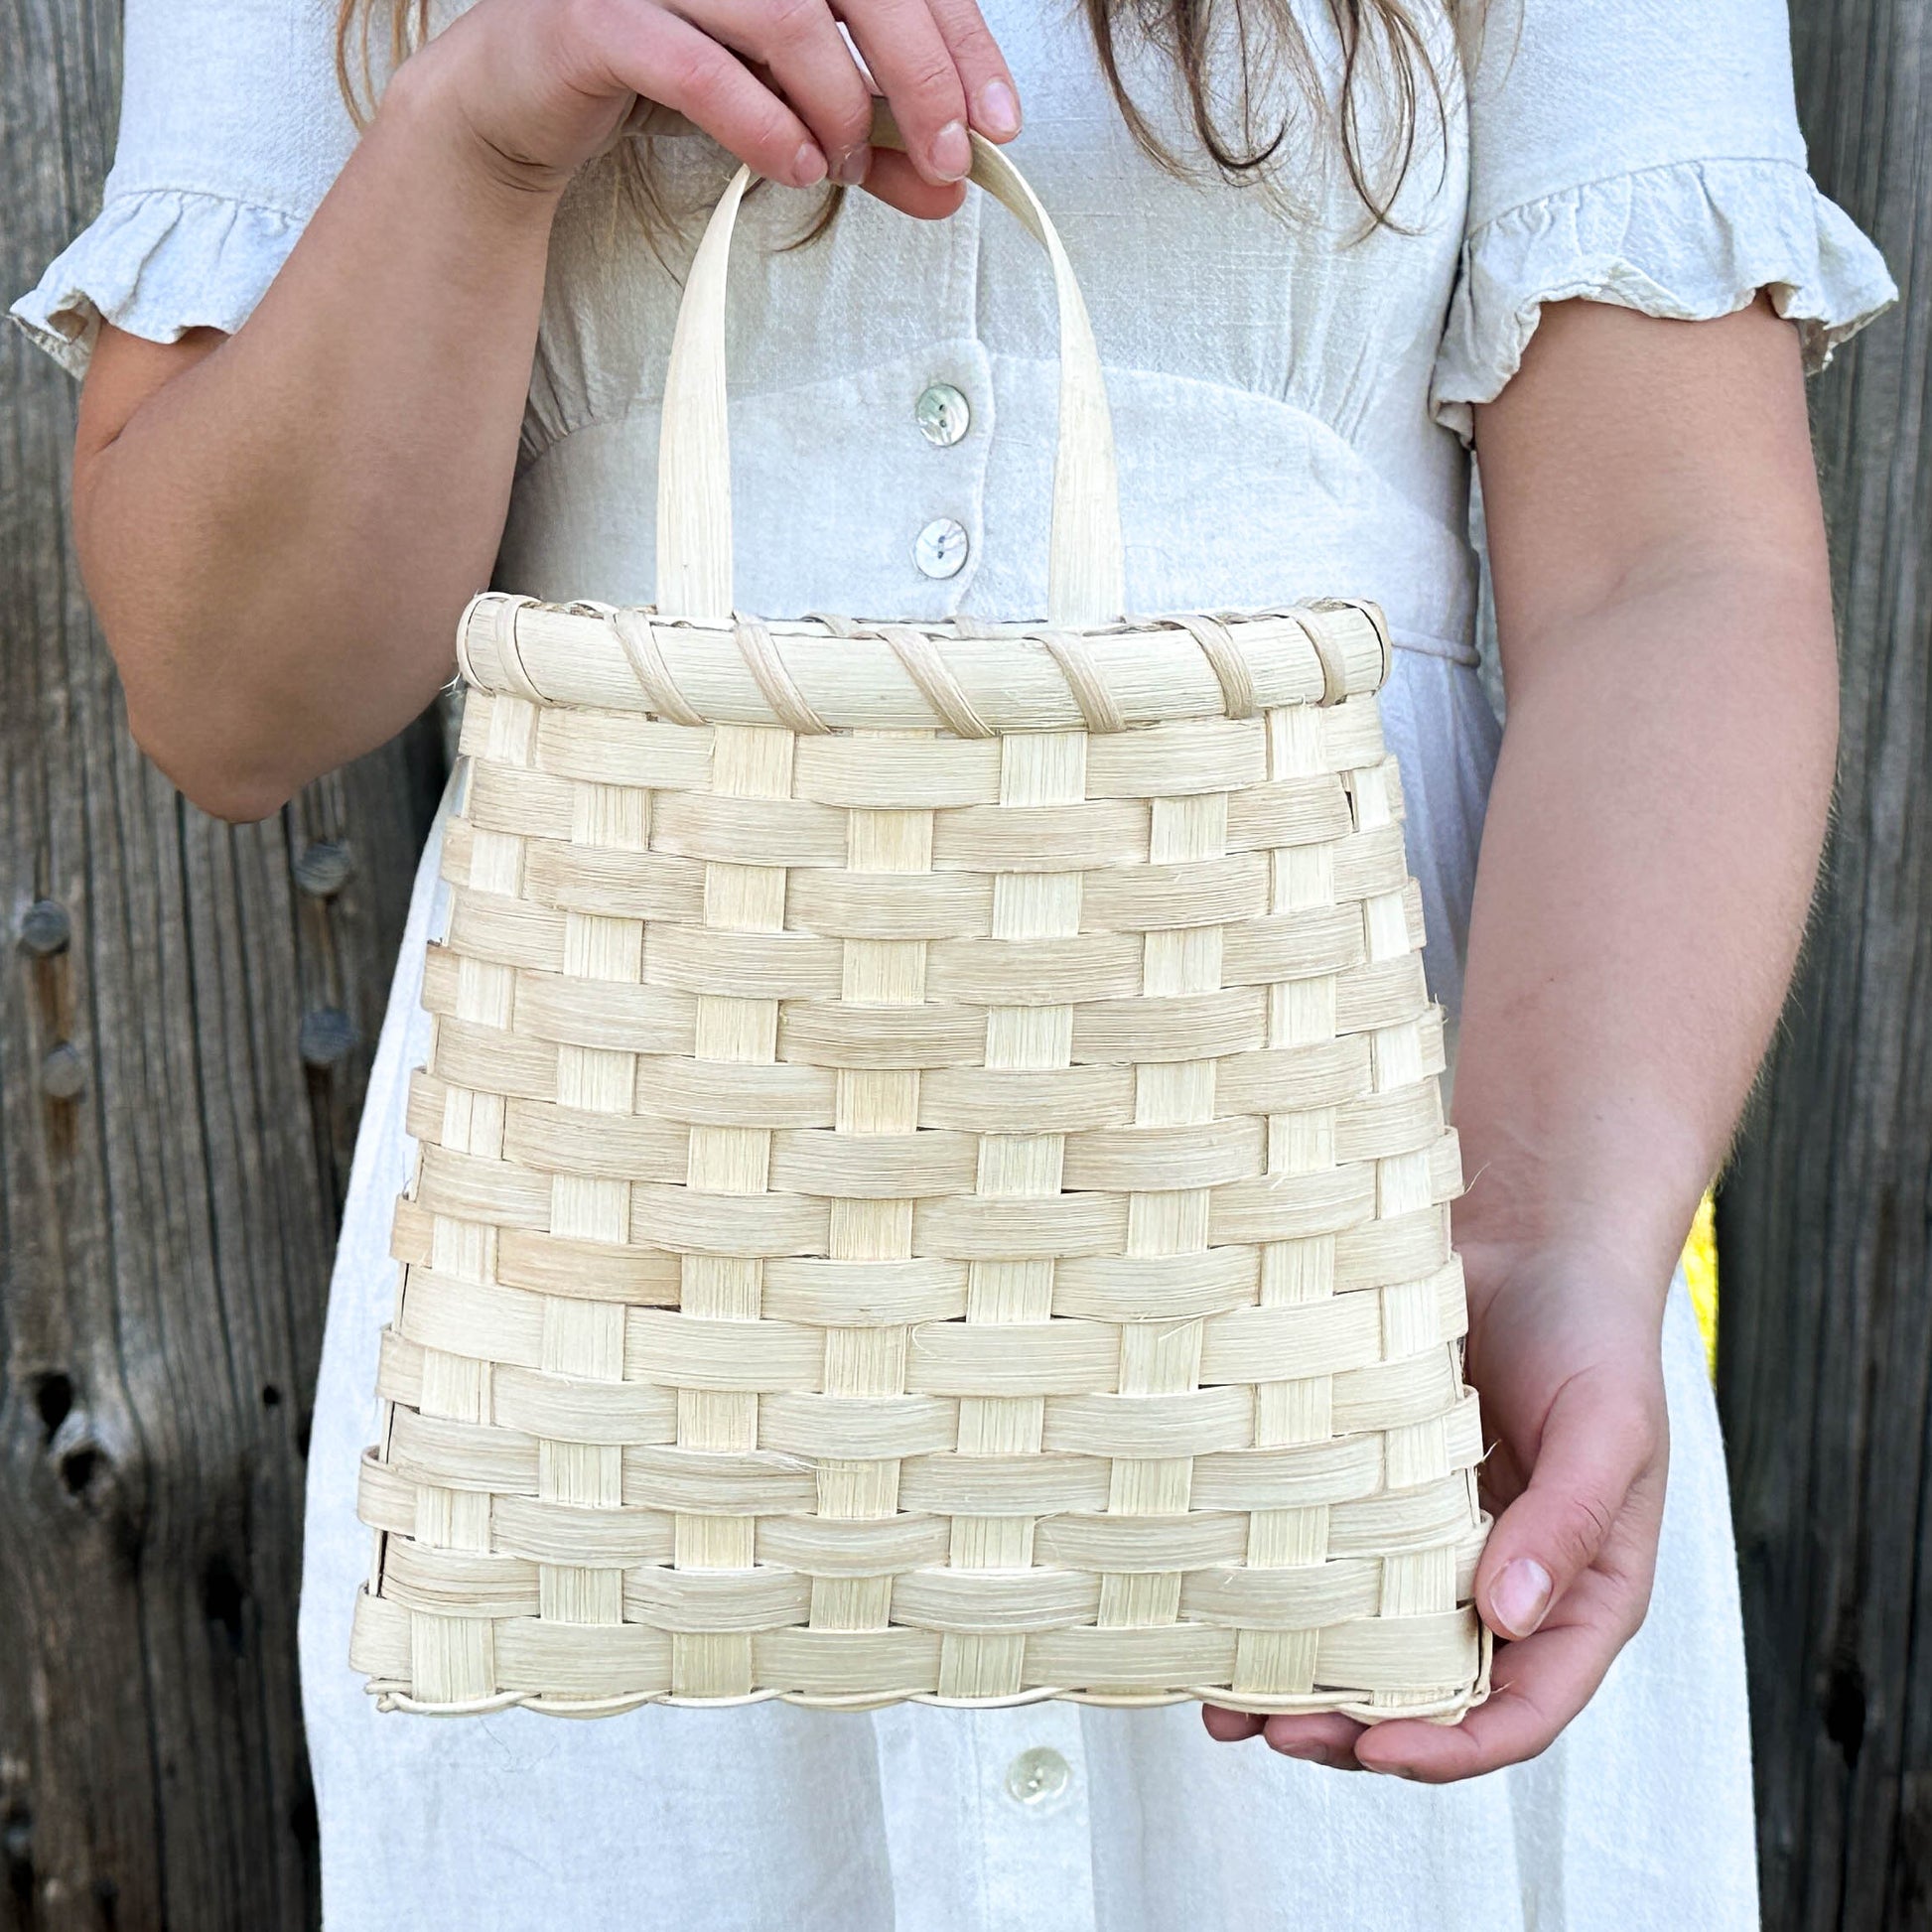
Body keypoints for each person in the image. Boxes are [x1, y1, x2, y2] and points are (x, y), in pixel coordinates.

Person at [12, 0, 1895, 1925]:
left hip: (1353, 1307)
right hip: (629, 1373)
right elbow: (226, 685)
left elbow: (1669, 553)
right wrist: (494, 116)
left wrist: (1562, 1234)